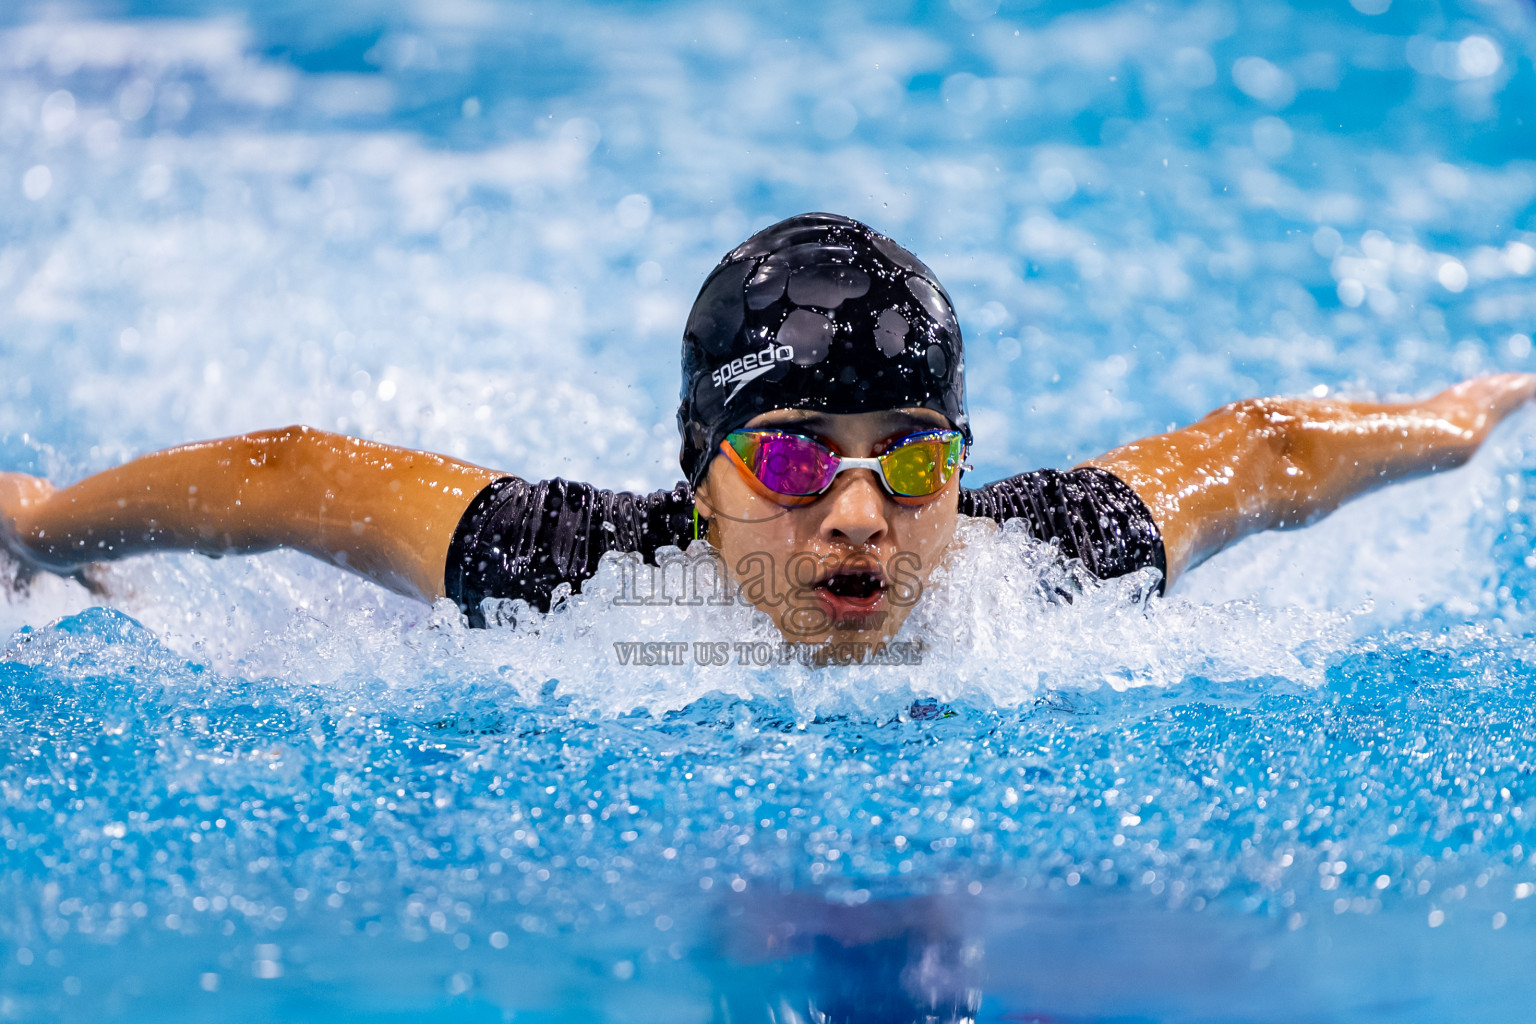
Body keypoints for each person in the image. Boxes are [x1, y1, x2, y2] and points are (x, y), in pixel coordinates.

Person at [0, 213, 1530, 647]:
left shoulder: (1042, 569)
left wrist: (1459, 424)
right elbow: (297, 475)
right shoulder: (582, 576)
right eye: (795, 455)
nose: (860, 515)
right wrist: (44, 526)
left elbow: (1264, 448)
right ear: (702, 474)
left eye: (913, 457)